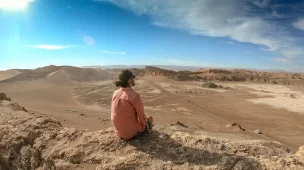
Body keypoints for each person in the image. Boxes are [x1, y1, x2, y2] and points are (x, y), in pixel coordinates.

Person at [111, 69, 153, 140]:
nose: (134, 79)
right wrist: (144, 125)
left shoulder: (115, 93)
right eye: (132, 77)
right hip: (130, 134)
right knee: (150, 119)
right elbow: (141, 116)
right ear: (129, 80)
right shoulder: (134, 95)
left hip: (118, 131)